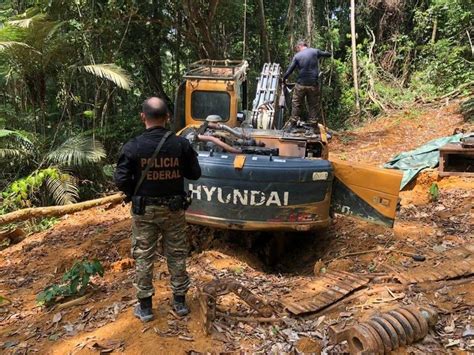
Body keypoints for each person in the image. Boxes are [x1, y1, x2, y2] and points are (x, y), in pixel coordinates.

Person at [115, 97, 201, 322]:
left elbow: (121, 179)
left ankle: (145, 308)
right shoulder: (181, 144)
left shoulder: (133, 146)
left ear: (143, 116)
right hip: (174, 210)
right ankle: (180, 303)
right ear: (168, 117)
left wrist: (135, 193)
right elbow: (195, 173)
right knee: (177, 253)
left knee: (144, 257)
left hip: (145, 211)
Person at [283, 40, 331, 124]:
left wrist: (284, 79)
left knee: (296, 103)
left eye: (297, 49)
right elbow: (327, 54)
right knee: (313, 104)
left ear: (299, 46)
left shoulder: (297, 56)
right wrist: (326, 53)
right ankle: (313, 123)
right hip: (313, 84)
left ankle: (294, 121)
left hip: (301, 84)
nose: (297, 50)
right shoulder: (315, 51)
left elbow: (289, 70)